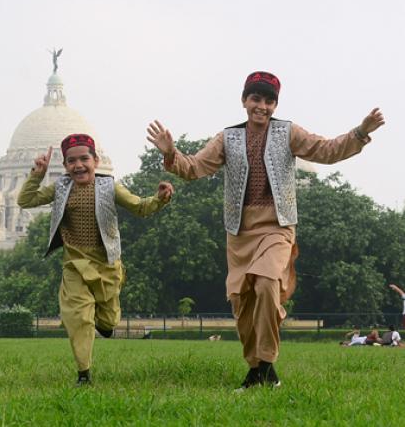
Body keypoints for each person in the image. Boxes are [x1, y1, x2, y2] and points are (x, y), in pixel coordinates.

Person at [146, 71, 385, 391]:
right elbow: (194, 168)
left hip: (277, 226)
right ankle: (259, 370)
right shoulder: (227, 138)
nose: (262, 106)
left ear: (275, 104)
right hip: (239, 231)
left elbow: (327, 150)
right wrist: (170, 154)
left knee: (267, 285)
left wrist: (360, 132)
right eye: (255, 98)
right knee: (242, 303)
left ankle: (266, 362)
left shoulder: (288, 132)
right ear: (244, 100)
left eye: (268, 100)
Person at [16, 134, 173, 386]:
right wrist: (37, 174)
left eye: (84, 159)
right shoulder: (59, 188)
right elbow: (25, 200)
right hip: (74, 263)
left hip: (107, 262)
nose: (78, 165)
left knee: (109, 320)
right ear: (65, 165)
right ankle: (83, 373)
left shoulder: (109, 186)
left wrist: (160, 198)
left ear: (96, 160)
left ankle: (106, 326)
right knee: (79, 317)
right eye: (71, 161)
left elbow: (140, 207)